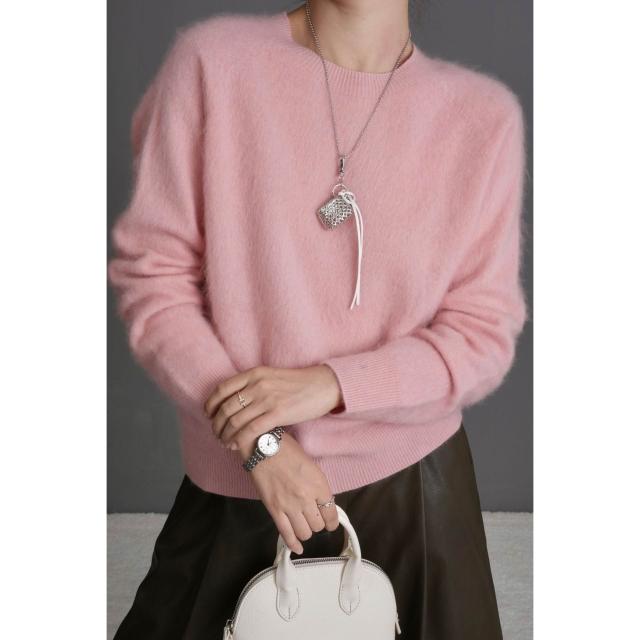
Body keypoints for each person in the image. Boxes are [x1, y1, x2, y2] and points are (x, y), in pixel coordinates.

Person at [108, 1, 528, 638]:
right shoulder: (214, 64)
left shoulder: (483, 118)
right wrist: (262, 442)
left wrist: (331, 385)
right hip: (247, 481)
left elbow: (481, 335)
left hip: (419, 492)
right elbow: (155, 282)